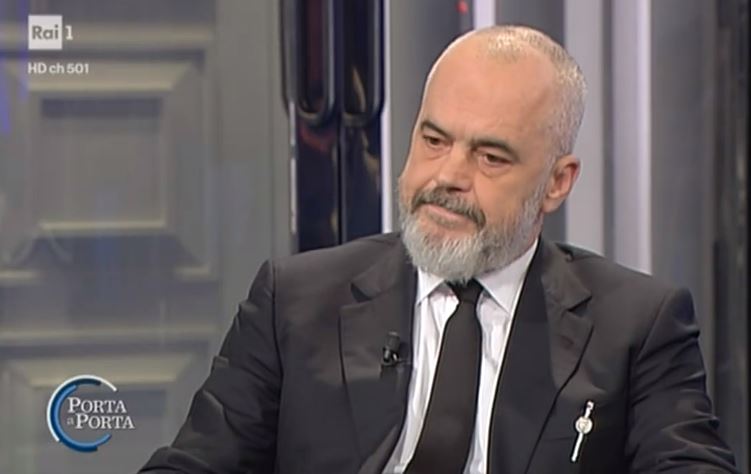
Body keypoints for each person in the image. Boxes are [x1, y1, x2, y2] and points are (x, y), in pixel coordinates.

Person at [139, 25, 738, 474]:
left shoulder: (636, 325)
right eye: (433, 139)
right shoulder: (294, 302)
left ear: (557, 182)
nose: (448, 175)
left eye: (490, 156)